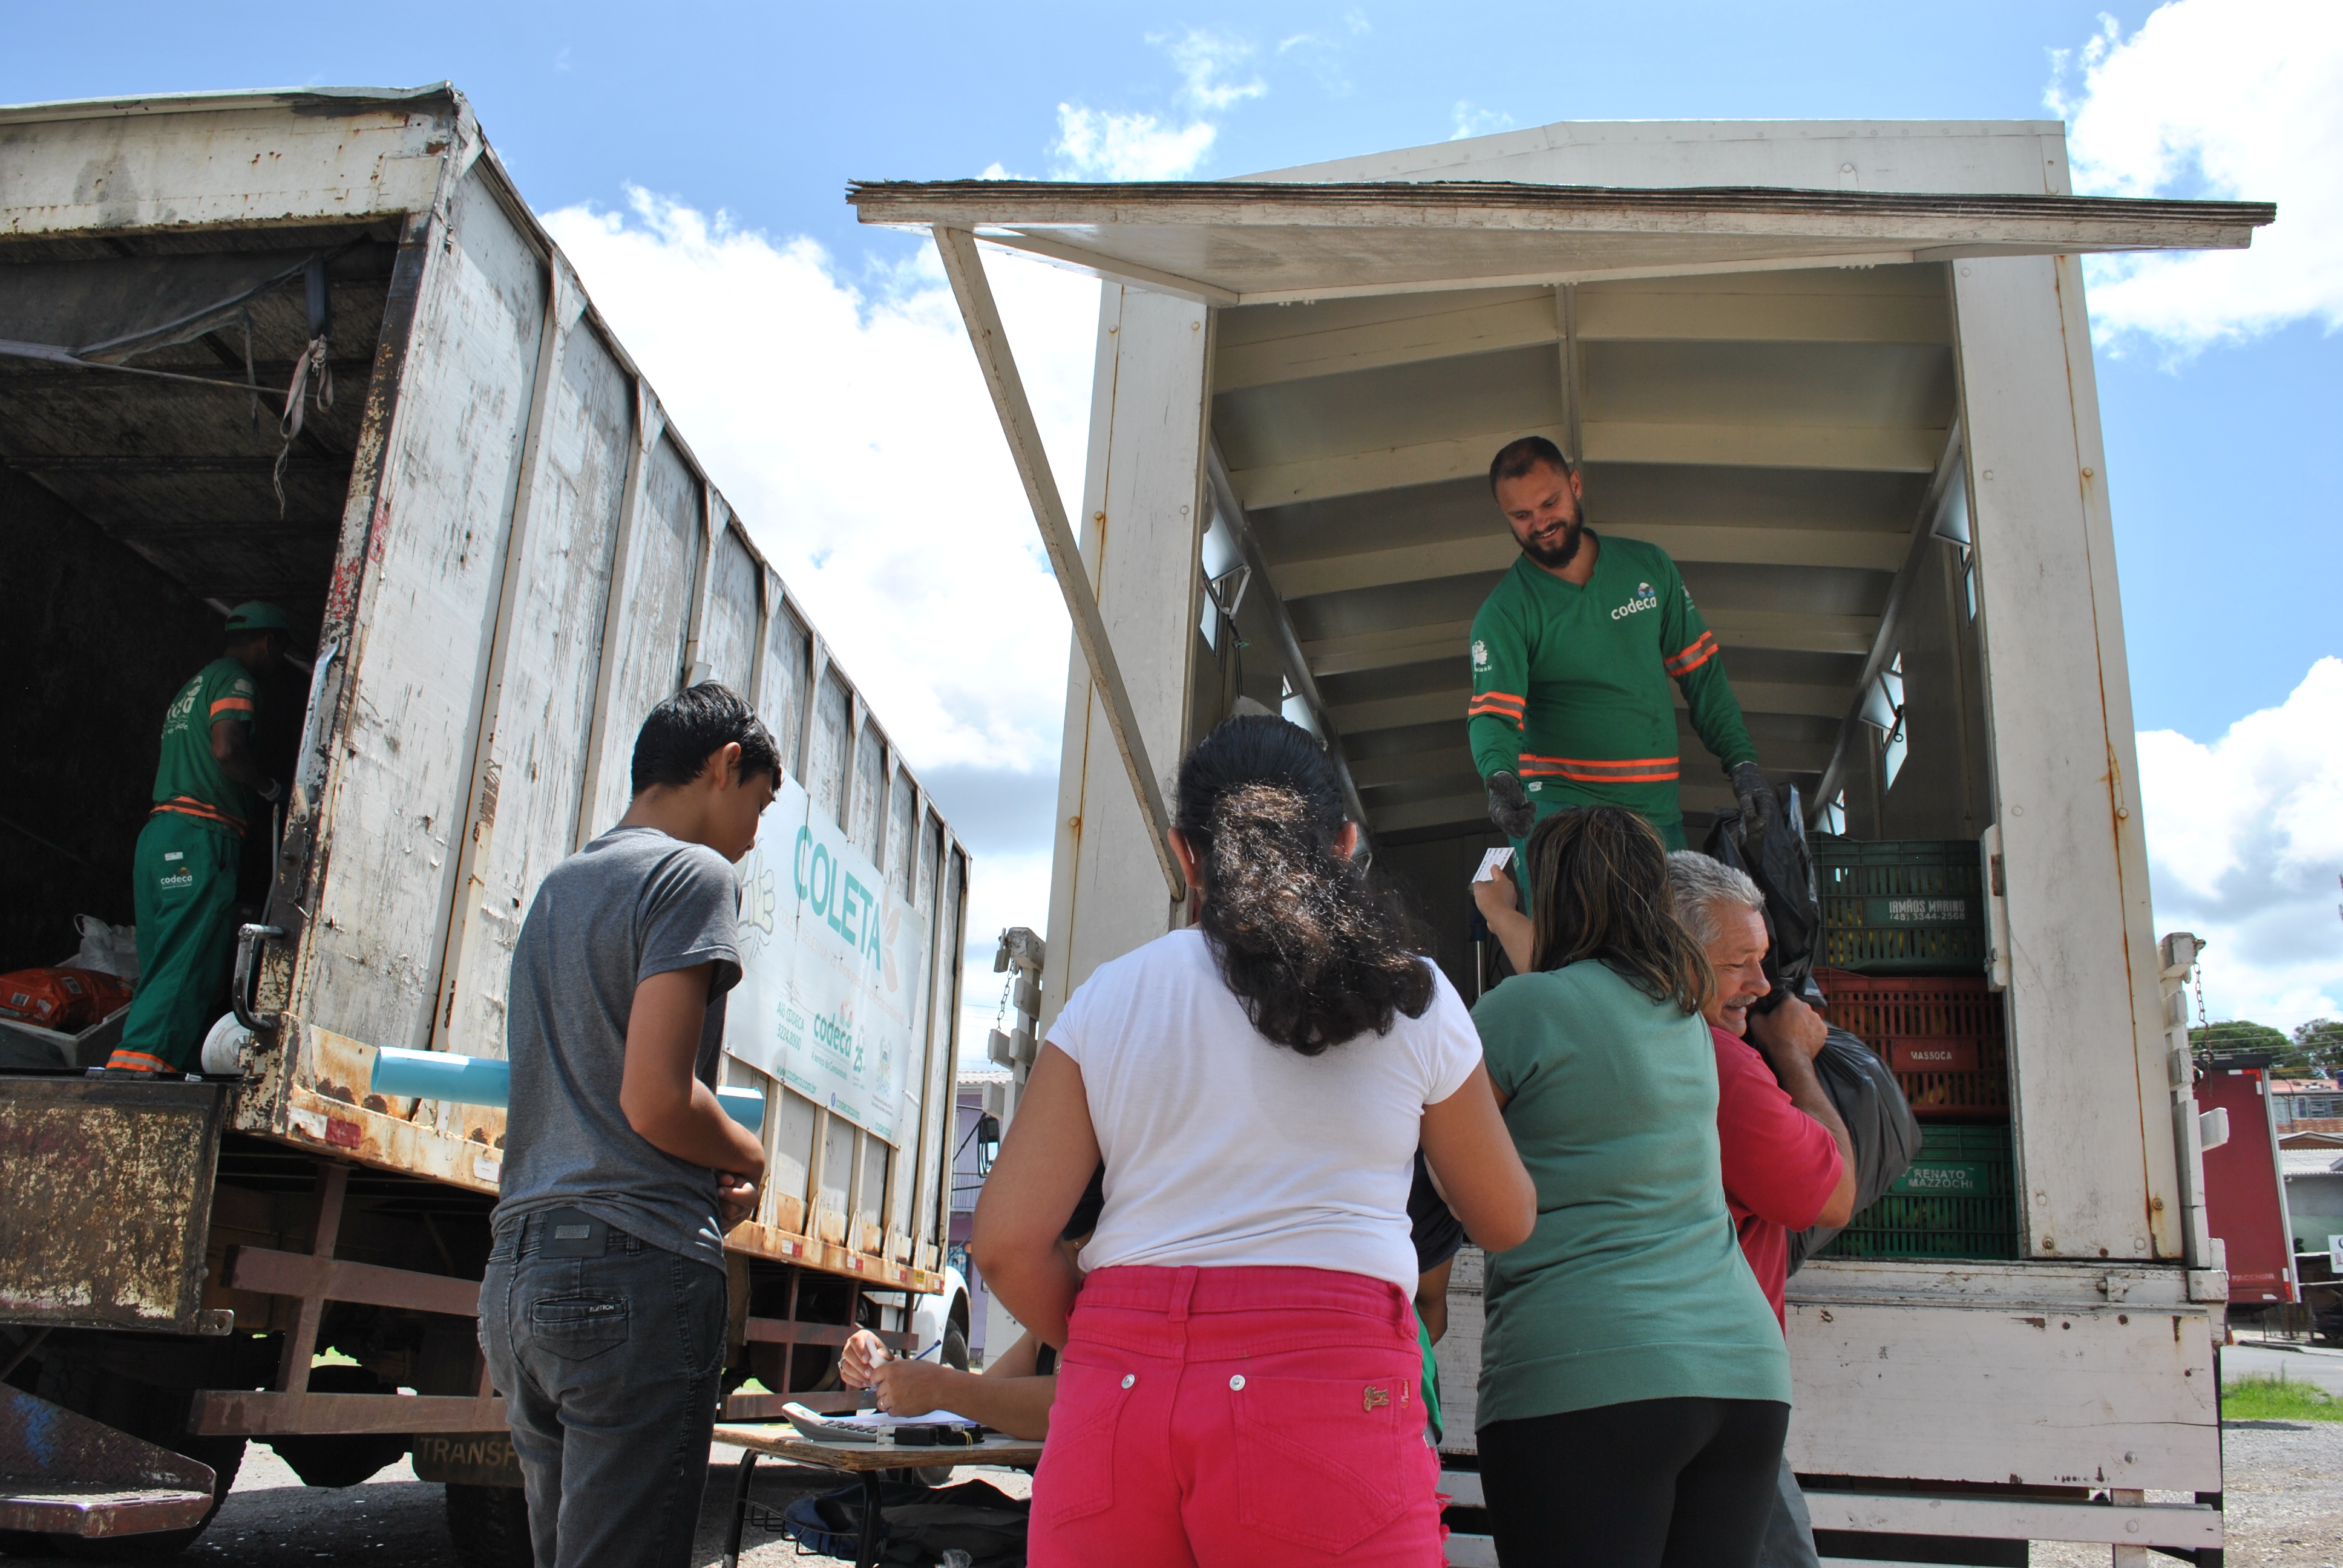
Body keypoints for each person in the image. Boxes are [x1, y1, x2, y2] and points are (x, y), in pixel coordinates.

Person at [972, 714, 1534, 1568]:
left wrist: (1117, 1342)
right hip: (1332, 1399)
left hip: (1117, 1402)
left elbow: (1007, 1241)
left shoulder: (1108, 999)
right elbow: (1503, 1217)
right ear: (1345, 845)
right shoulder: (1411, 992)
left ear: (1184, 853)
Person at [479, 684, 778, 1568]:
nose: (753, 835)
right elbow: (653, 1099)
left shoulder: (560, 887)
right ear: (725, 766)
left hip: (519, 1276)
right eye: (759, 803)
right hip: (632, 1272)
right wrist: (747, 1150)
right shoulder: (692, 876)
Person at [1470, 805, 1791, 1568]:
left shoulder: (1520, 1012)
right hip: (1743, 1379)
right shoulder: (1686, 1015)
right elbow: (1573, 1003)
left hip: (1589, 1376)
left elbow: (1448, 1165)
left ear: (1552, 898)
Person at [1668, 851, 1855, 1568]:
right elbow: (1831, 1196)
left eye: (1761, 960)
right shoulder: (1719, 1063)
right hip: (1719, 1384)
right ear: (1673, 956)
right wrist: (1794, 1057)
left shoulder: (1618, 1039)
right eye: (1735, 964)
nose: (1758, 984)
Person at [1467, 436, 1771, 859]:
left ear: (1575, 485)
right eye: (1522, 515)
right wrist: (1500, 778)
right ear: (1504, 515)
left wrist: (1743, 764)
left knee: (1664, 927)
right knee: (1570, 929)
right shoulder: (1504, 613)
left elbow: (1704, 678)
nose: (1540, 523)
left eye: (1549, 503)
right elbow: (1493, 715)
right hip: (1561, 814)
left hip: (1657, 813)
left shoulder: (1649, 567)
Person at [109, 602, 290, 1073]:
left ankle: (165, 1066)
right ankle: (139, 1073)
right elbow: (227, 748)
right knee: (187, 962)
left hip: (159, 836)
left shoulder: (193, 685)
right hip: (199, 836)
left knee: (164, 960)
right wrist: (267, 786)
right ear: (269, 643)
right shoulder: (237, 681)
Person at [837, 1168, 1110, 1440]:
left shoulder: (1112, 1332)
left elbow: (1080, 1402)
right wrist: (894, 1374)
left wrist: (938, 1386)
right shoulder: (1043, 1340)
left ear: (1080, 1249)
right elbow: (983, 1400)